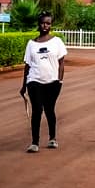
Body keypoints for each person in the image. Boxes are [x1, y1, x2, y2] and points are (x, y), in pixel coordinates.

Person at [19, 11, 67, 153]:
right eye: (42, 23)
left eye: (48, 23)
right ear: (38, 24)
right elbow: (27, 65)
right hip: (34, 81)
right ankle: (34, 142)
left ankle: (52, 138)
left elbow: (62, 63)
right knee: (37, 110)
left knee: (49, 109)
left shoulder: (57, 41)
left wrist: (60, 80)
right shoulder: (31, 44)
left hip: (53, 82)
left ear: (51, 25)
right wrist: (23, 86)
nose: (45, 25)